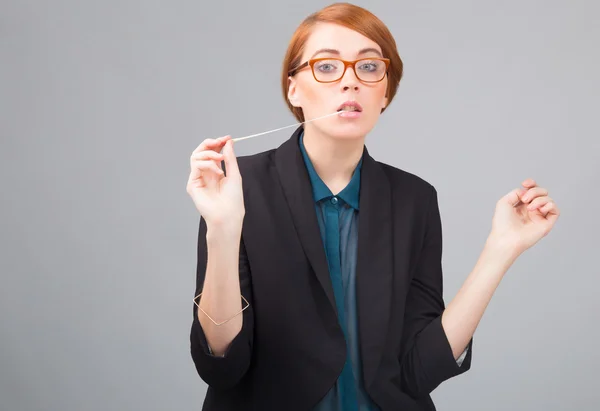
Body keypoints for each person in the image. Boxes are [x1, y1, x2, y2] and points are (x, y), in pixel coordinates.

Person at [186, 3, 560, 410]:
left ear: (385, 92)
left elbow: (421, 370)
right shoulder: (237, 186)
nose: (350, 83)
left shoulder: (415, 199)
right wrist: (222, 230)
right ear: (293, 87)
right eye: (327, 67)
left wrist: (500, 250)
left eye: (368, 68)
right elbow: (221, 365)